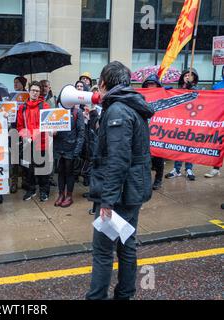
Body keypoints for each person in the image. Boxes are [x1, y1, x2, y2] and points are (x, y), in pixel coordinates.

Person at [86, 61, 154, 300]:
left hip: (120, 194)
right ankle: (125, 294)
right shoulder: (131, 105)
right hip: (133, 190)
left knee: (103, 251)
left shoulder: (117, 110)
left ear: (104, 83)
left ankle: (97, 297)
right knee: (127, 245)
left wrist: (107, 201)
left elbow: (117, 160)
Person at [17, 81, 51, 202]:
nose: (35, 93)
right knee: (28, 169)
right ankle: (31, 190)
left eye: (37, 91)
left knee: (42, 169)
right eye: (33, 90)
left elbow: (49, 124)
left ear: (39, 92)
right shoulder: (23, 107)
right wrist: (26, 136)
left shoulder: (45, 106)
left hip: (41, 142)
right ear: (29, 91)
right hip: (28, 143)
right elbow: (20, 126)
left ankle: (44, 191)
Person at [165, 69, 199, 181]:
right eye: (186, 75)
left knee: (189, 147)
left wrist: (191, 88)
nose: (188, 77)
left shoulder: (196, 90)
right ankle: (176, 169)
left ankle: (189, 169)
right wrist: (166, 91)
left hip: (191, 122)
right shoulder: (178, 90)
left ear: (194, 78)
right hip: (179, 122)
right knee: (178, 146)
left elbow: (198, 98)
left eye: (191, 75)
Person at [53, 101, 85, 208]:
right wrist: (52, 132)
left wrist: (77, 150)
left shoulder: (77, 112)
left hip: (71, 148)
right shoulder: (57, 112)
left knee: (69, 172)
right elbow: (50, 128)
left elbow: (81, 132)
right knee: (60, 172)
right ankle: (61, 194)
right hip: (59, 147)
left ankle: (69, 196)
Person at [141, 74, 165, 190]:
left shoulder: (163, 96)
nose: (150, 86)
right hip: (144, 131)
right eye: (148, 84)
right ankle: (146, 180)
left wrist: (168, 92)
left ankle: (158, 179)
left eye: (153, 83)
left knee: (159, 158)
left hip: (159, 132)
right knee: (145, 159)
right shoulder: (140, 96)